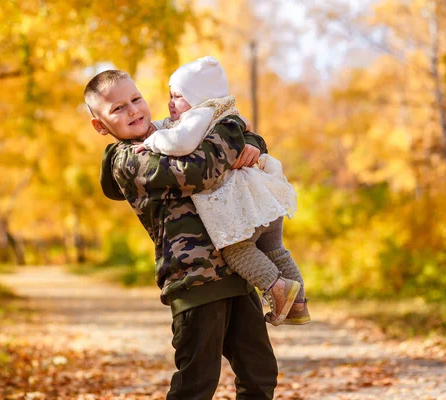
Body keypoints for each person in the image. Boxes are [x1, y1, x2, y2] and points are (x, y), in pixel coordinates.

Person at [85, 70, 277, 399]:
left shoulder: (171, 132)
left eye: (136, 99)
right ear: (100, 125)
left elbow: (218, 130)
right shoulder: (129, 160)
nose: (132, 110)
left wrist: (252, 143)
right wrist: (233, 128)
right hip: (194, 280)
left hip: (236, 268)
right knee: (197, 384)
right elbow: (199, 171)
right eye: (117, 109)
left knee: (260, 373)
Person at [139, 56, 309, 325]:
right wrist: (157, 127)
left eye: (178, 96)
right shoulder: (224, 113)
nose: (170, 102)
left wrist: (151, 141)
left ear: (198, 98)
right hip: (264, 199)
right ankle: (299, 305)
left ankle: (277, 289)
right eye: (169, 96)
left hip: (242, 207)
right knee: (274, 248)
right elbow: (168, 125)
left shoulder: (199, 115)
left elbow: (181, 142)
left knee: (236, 250)